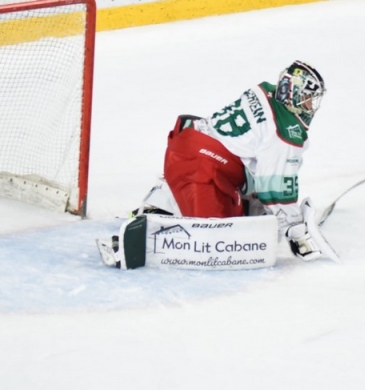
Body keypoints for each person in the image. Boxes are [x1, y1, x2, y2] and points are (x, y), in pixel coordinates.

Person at [101, 61, 329, 269]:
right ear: (293, 94)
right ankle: (145, 230)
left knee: (249, 204)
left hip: (185, 144)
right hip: (200, 168)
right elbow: (275, 189)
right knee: (220, 239)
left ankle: (165, 199)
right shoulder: (284, 132)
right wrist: (293, 228)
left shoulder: (266, 90)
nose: (310, 105)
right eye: (307, 97)